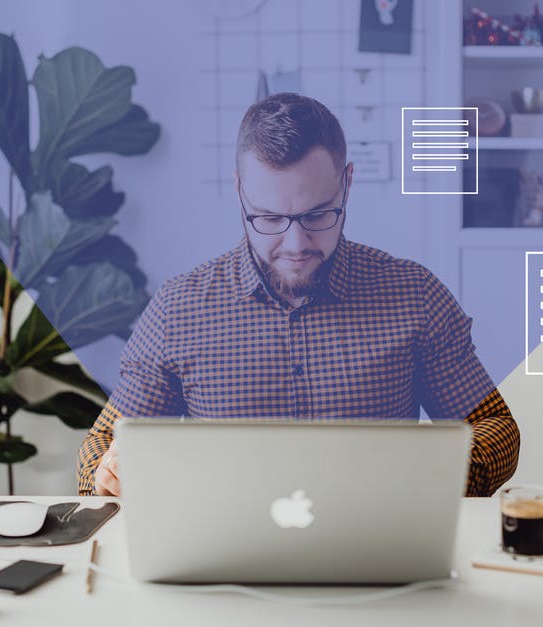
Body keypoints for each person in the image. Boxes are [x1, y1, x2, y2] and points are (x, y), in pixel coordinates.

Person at [76, 93, 518, 497]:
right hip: (224, 564)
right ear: (239, 192)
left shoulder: (413, 295)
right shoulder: (179, 309)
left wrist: (434, 474)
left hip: (377, 553)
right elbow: (101, 445)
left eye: (318, 215)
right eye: (268, 218)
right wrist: (108, 472)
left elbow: (496, 428)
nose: (295, 244)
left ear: (347, 183)